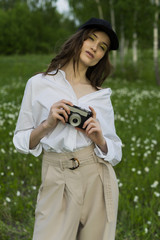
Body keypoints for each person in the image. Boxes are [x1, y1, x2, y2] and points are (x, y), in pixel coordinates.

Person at [13, 17, 122, 240]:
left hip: (97, 178)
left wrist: (100, 138)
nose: (95, 47)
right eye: (91, 39)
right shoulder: (39, 83)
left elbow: (116, 152)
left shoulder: (100, 95)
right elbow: (21, 140)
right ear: (78, 39)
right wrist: (47, 124)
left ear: (103, 56)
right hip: (56, 175)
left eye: (102, 47)